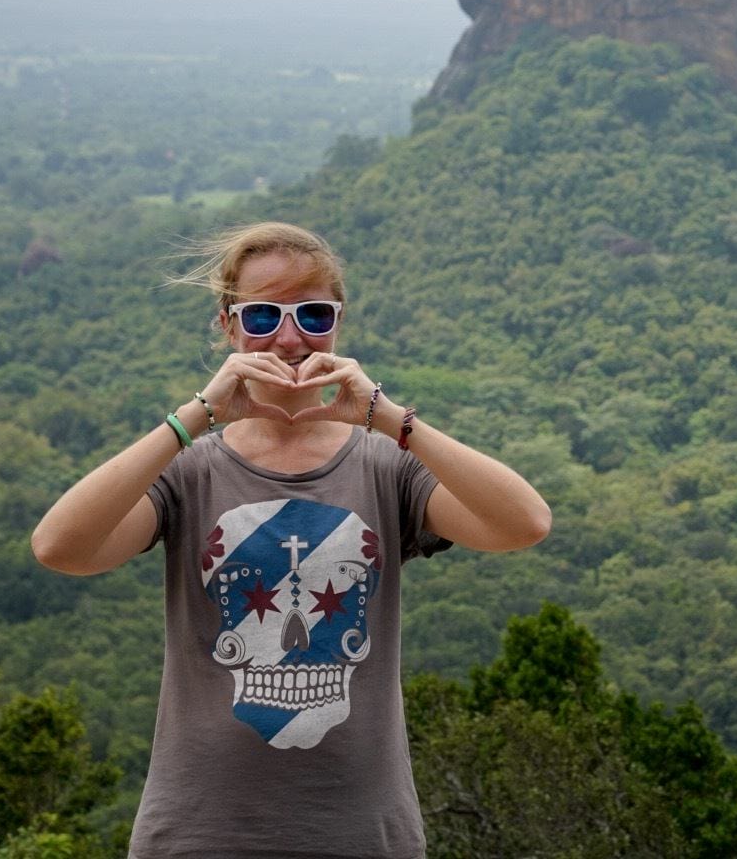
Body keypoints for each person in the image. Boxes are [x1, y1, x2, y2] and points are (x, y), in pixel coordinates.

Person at [32, 222, 551, 859]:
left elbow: (524, 523)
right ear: (227, 325)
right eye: (261, 315)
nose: (289, 335)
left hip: (364, 835)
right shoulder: (190, 472)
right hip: (199, 835)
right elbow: (60, 547)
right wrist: (195, 418)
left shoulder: (384, 467)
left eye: (311, 313)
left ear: (338, 321)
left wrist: (387, 417)